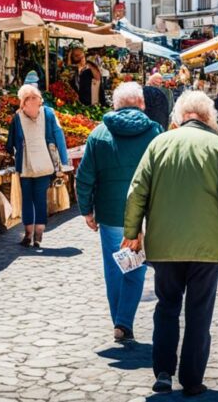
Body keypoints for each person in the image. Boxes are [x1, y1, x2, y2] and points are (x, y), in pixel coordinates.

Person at [123, 91, 218, 396]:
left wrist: (131, 232)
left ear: (180, 116)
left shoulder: (159, 144)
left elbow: (137, 191)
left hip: (165, 244)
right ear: (209, 117)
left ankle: (163, 372)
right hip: (207, 248)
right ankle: (192, 379)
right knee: (199, 312)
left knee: (166, 306)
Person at [76, 83, 163, 343]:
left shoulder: (99, 134)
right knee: (136, 269)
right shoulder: (154, 131)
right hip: (144, 215)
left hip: (111, 213)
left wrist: (86, 210)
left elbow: (84, 177)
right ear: (142, 104)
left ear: (115, 105)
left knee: (114, 269)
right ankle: (124, 322)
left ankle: (119, 321)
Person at [5, 84, 69, 248]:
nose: (33, 102)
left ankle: (33, 235)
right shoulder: (23, 117)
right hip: (34, 165)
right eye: (30, 99)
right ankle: (33, 235)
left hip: (36, 165)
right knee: (34, 200)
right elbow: (58, 135)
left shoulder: (41, 115)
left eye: (34, 98)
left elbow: (10, 143)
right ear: (23, 103)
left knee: (33, 199)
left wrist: (63, 163)